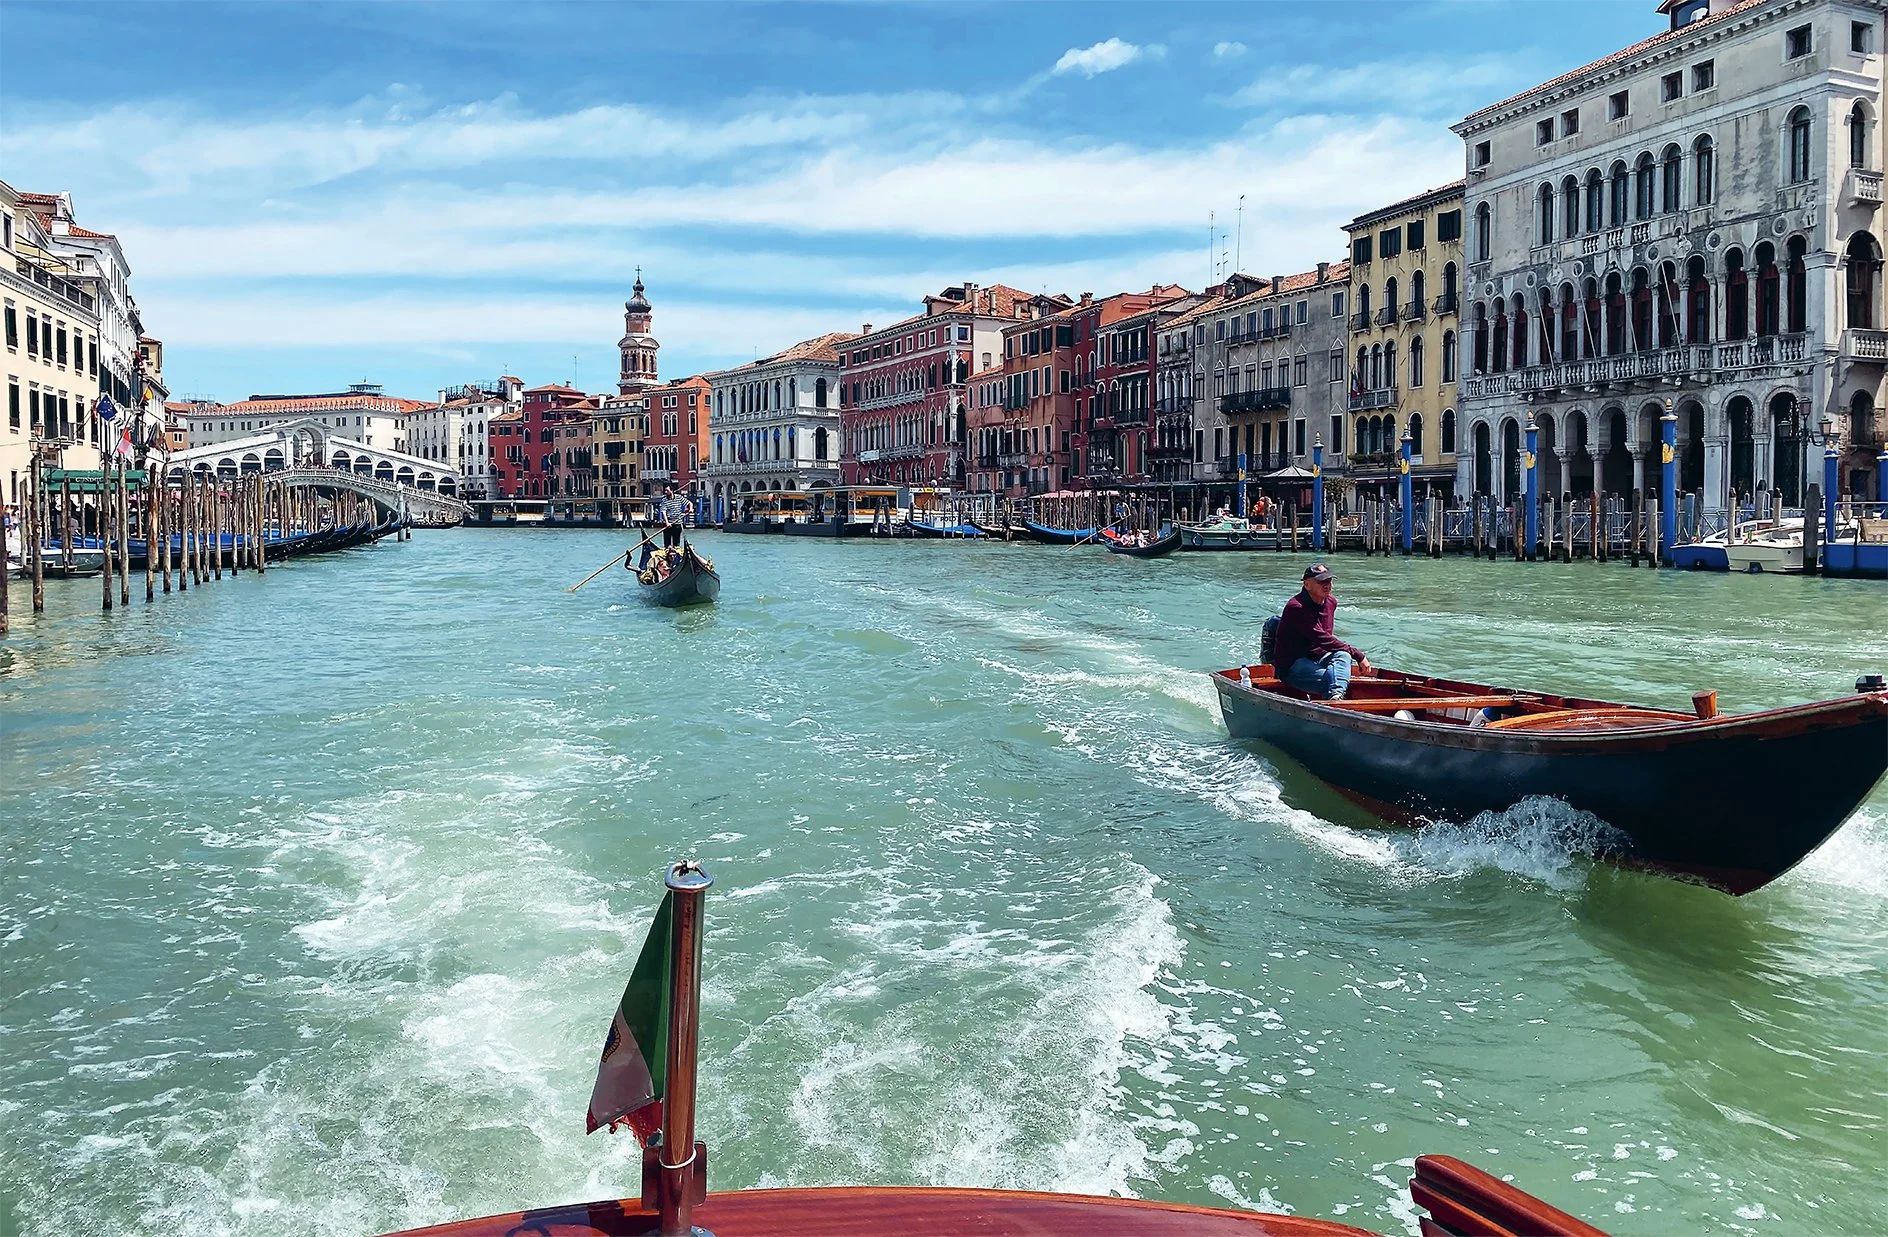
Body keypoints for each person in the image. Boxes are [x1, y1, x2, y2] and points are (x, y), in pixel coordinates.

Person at [1272, 563, 1372, 700]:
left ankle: (1335, 697)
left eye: (1329, 580)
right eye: (1321, 581)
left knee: (1344, 655)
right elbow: (1322, 639)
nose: (1326, 584)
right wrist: (1359, 655)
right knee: (1330, 681)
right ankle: (1336, 700)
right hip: (1293, 664)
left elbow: (1328, 642)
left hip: (1320, 657)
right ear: (1307, 585)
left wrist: (1351, 654)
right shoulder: (1296, 607)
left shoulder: (1331, 602)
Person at [658, 484, 687, 548]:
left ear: (672, 491)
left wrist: (690, 508)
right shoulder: (664, 500)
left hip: (677, 524)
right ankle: (668, 554)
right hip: (667, 525)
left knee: (676, 544)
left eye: (667, 490)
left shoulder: (679, 497)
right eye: (665, 491)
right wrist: (667, 522)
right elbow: (663, 512)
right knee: (667, 544)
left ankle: (675, 555)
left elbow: (689, 503)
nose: (665, 492)